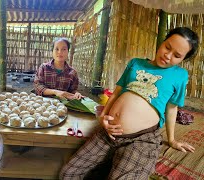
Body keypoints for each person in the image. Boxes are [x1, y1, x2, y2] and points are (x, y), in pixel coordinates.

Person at [59, 27, 199, 179]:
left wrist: (172, 140)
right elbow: (117, 92)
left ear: (182, 59)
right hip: (109, 131)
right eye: (167, 47)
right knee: (69, 173)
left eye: (177, 55)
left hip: (141, 139)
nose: (168, 55)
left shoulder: (180, 75)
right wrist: (103, 117)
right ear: (163, 41)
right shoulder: (136, 63)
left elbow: (172, 108)